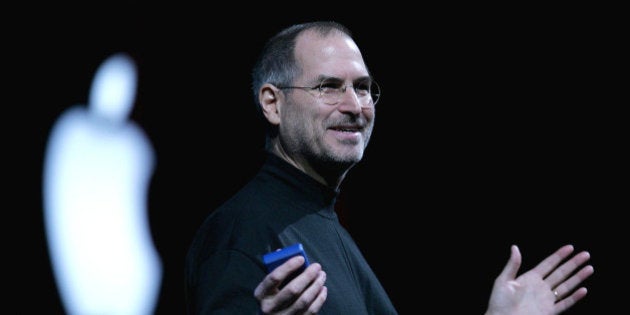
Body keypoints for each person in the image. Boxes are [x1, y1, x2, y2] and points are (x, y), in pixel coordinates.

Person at [184, 21, 594, 314]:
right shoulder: (241, 231)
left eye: (362, 87)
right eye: (329, 87)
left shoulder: (323, 223)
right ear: (273, 103)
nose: (355, 106)